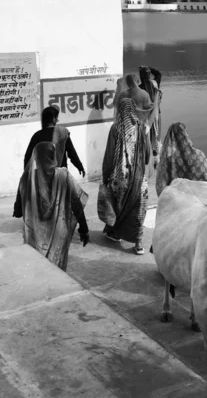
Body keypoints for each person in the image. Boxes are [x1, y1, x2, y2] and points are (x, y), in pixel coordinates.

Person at [13, 142, 89, 271]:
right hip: (58, 235)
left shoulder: (26, 178)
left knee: (39, 272)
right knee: (57, 271)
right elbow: (76, 203)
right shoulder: (63, 176)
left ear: (35, 157)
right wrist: (84, 228)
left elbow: (19, 211)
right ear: (54, 156)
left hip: (35, 237)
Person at [101, 98, 150, 255]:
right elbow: (148, 156)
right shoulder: (142, 128)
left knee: (119, 206)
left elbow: (109, 157)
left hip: (121, 179)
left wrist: (106, 176)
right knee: (139, 208)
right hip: (138, 179)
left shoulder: (116, 128)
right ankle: (139, 243)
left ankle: (115, 232)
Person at [24, 107, 85, 177]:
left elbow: (28, 156)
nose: (57, 120)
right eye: (56, 117)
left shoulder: (37, 136)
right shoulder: (62, 133)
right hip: (61, 176)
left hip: (43, 177)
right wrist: (80, 167)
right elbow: (72, 153)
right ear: (53, 119)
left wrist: (27, 174)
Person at [155, 122, 207, 197]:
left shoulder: (168, 161)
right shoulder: (199, 155)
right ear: (186, 135)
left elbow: (161, 186)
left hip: (177, 202)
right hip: (199, 200)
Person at [138, 65, 162, 162]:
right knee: (156, 136)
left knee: (147, 137)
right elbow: (158, 74)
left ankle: (145, 158)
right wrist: (148, 67)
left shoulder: (139, 88)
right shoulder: (155, 85)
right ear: (149, 75)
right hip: (156, 114)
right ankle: (156, 157)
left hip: (145, 116)